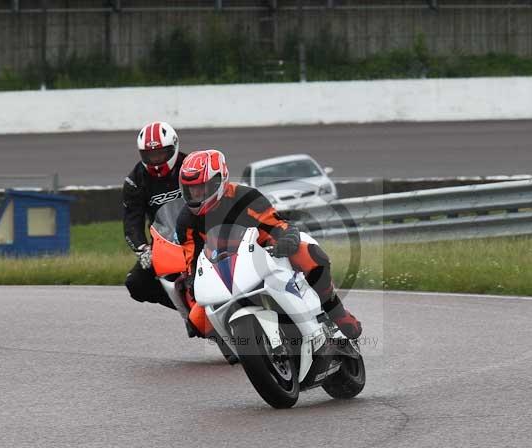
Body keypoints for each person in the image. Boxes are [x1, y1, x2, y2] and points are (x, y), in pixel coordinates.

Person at [175, 149, 362, 340]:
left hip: (264, 253)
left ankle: (338, 314)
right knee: (198, 322)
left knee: (311, 256)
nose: (196, 194)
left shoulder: (245, 197)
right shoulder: (186, 220)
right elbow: (191, 258)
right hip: (223, 267)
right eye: (191, 189)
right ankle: (239, 345)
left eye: (201, 188)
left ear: (218, 181)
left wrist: (287, 236)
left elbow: (275, 223)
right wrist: (191, 280)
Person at [122, 121, 188, 309]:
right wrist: (143, 249)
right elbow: (131, 222)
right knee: (136, 284)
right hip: (164, 244)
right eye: (150, 155)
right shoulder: (135, 181)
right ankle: (185, 308)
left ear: (174, 147)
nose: (156, 160)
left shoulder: (191, 166)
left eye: (160, 153)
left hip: (198, 234)